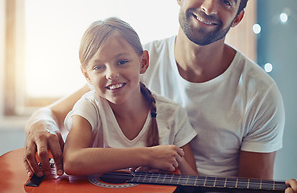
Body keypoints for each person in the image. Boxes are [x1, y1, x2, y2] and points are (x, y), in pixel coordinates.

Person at [23, 0, 296, 191]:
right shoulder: (128, 65)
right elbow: (51, 114)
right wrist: (41, 126)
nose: (209, 7)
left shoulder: (260, 93)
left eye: (226, 1)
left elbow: (252, 188)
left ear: (237, 17)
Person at [62, 17, 197, 176]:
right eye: (98, 67)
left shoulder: (173, 114)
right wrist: (148, 156)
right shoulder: (90, 106)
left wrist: (174, 162)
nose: (111, 74)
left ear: (143, 62)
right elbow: (72, 160)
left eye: (122, 61)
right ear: (87, 76)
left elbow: (194, 182)